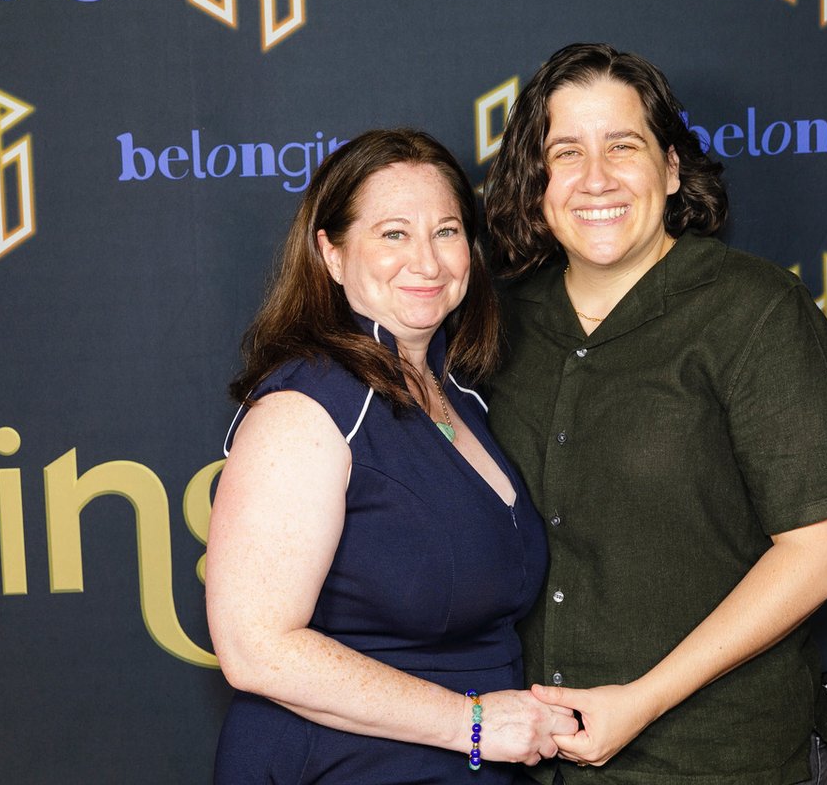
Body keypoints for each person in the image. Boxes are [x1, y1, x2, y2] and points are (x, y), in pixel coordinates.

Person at [484, 43, 827, 784]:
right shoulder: (500, 327)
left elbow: (820, 554)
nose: (595, 178)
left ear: (670, 169)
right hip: (537, 764)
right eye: (565, 152)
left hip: (718, 760)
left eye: (622, 146)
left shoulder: (752, 310)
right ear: (536, 181)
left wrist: (642, 700)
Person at [206, 128, 578, 783]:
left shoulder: (459, 395)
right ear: (331, 251)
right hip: (343, 767)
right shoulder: (307, 407)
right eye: (393, 234)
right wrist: (472, 724)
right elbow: (254, 648)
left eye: (447, 231)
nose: (428, 263)